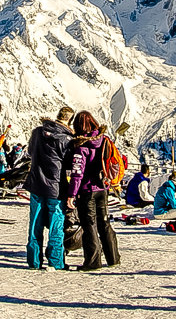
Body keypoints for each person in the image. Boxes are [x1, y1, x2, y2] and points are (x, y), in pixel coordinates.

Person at [64, 111, 120, 271]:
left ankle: (93, 260)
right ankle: (113, 257)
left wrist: (71, 194)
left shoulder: (81, 147)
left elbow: (77, 173)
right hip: (103, 188)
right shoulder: (103, 140)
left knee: (89, 225)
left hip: (86, 191)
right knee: (104, 223)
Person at [24, 106, 74, 270]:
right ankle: (56, 261)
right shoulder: (66, 139)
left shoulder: (37, 132)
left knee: (35, 225)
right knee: (56, 226)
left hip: (36, 184)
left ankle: (34, 260)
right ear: (69, 120)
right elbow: (69, 165)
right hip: (56, 188)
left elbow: (30, 152)